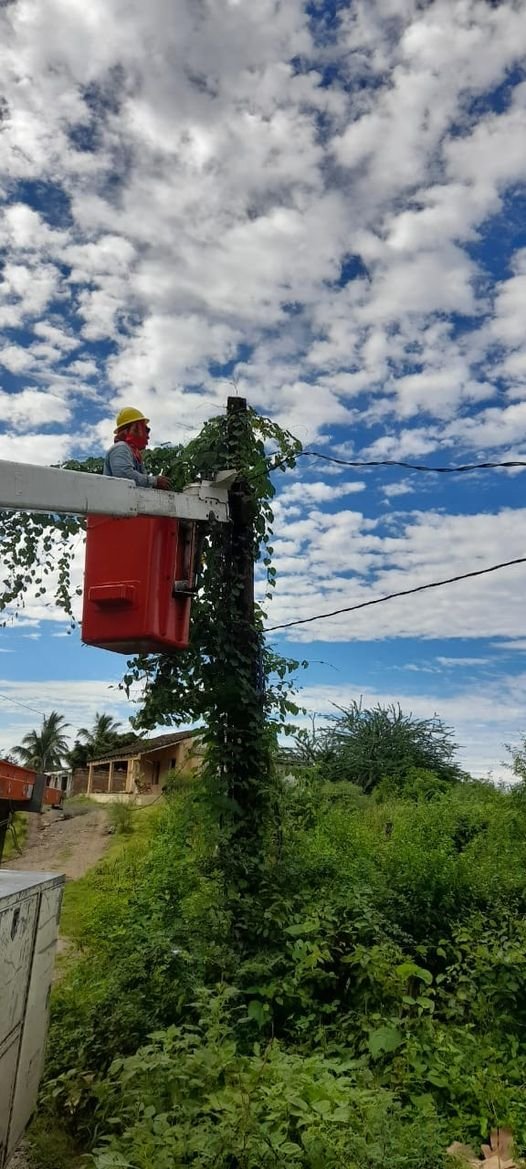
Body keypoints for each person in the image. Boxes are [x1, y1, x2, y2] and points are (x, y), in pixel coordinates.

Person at [104, 407, 171, 489]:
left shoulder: (135, 453)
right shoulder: (120, 448)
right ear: (134, 429)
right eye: (145, 430)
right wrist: (154, 481)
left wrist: (153, 485)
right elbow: (124, 476)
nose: (147, 436)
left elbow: (140, 483)